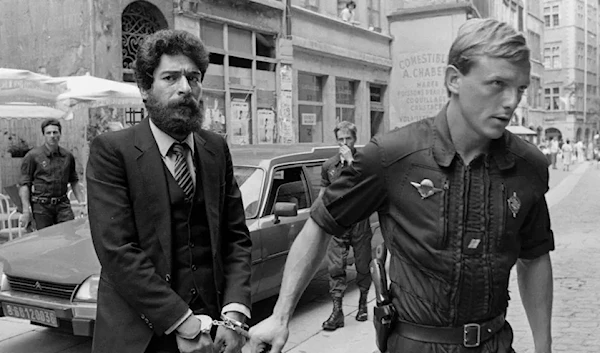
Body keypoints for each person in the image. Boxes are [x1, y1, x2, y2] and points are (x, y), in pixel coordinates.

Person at [248, 18, 553, 353]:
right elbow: (321, 223)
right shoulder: (391, 156)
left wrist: (544, 347)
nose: (512, 101)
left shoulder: (528, 166)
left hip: (495, 344)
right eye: (497, 84)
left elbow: (535, 257)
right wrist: (280, 316)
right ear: (454, 79)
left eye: (520, 88)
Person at [86, 29, 252, 353]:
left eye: (193, 77)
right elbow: (117, 251)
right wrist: (183, 322)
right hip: (141, 337)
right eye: (171, 78)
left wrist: (235, 313)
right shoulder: (112, 151)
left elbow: (236, 237)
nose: (185, 88)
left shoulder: (216, 148)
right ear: (146, 89)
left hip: (215, 334)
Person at [320, 121, 372, 331]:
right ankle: (337, 312)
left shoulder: (364, 162)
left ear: (354, 139)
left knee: (362, 265)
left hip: (360, 221)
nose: (344, 143)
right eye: (340, 139)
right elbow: (323, 193)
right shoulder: (329, 165)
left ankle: (362, 304)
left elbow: (365, 189)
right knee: (335, 268)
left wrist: (351, 163)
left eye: (347, 139)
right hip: (339, 224)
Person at [18, 118, 86, 230]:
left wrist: (82, 203)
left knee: (69, 235)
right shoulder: (33, 156)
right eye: (48, 133)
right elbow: (24, 185)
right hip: (41, 206)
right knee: (45, 240)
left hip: (62, 205)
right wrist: (26, 211)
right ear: (44, 135)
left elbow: (74, 181)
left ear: (60, 134)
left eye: (55, 132)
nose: (52, 136)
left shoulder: (67, 156)